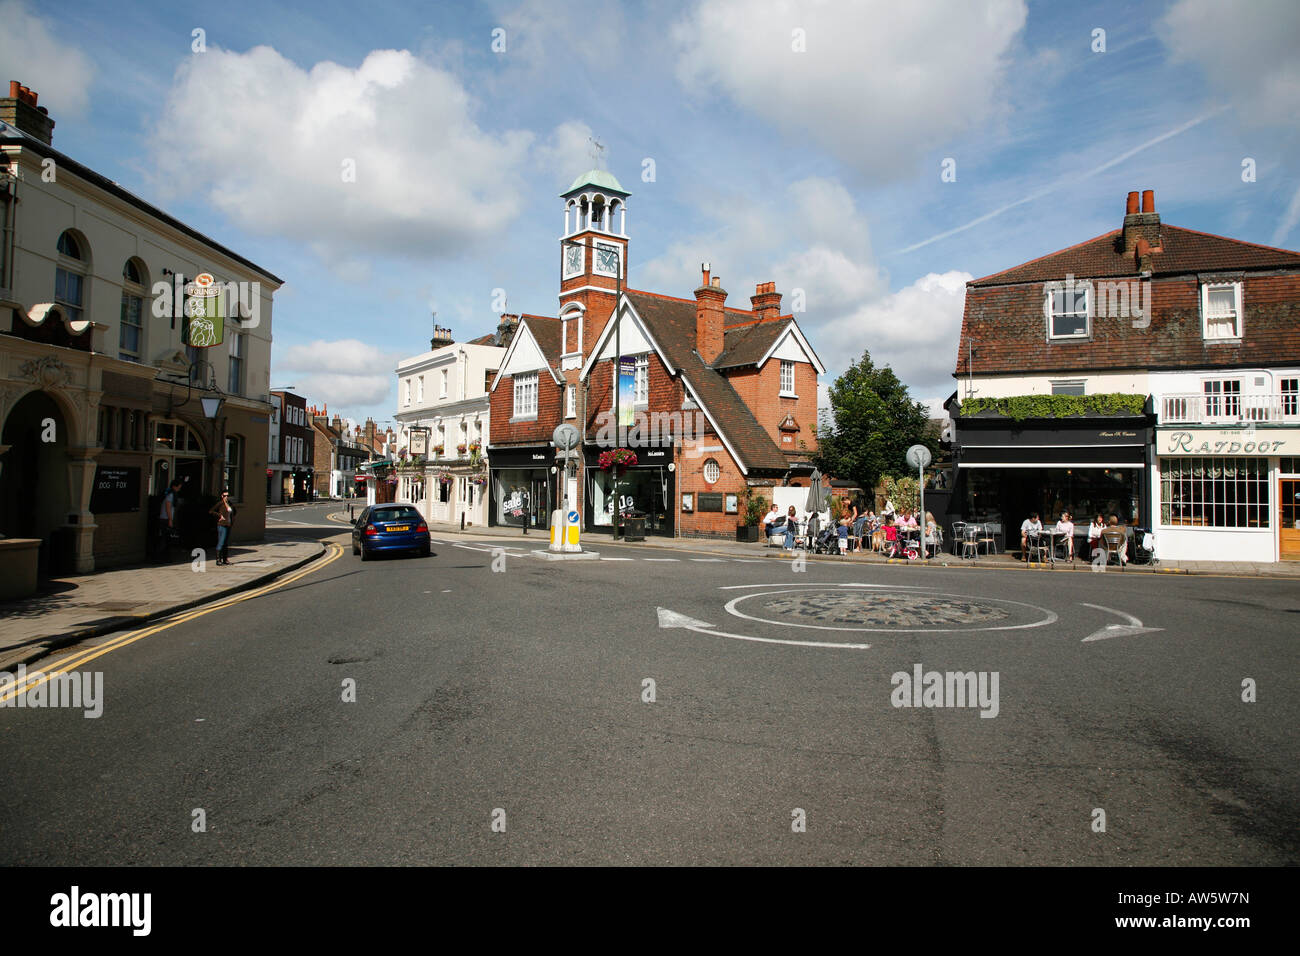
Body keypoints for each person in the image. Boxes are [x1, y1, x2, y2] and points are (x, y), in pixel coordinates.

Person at [157, 478, 183, 560]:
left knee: (167, 539)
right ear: (175, 486)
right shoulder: (171, 495)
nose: (179, 488)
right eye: (179, 486)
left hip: (165, 518)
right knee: (165, 539)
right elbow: (168, 507)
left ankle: (165, 557)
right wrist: (170, 520)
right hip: (165, 519)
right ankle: (160, 557)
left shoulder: (170, 494)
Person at [209, 490, 236, 565]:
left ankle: (225, 560)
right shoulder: (220, 504)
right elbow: (211, 511)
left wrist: (233, 519)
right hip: (222, 525)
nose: (226, 497)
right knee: (221, 542)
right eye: (224, 496)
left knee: (226, 543)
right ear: (222, 496)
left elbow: (234, 512)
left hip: (228, 525)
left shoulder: (230, 503)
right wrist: (219, 516)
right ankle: (218, 560)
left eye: (227, 496)